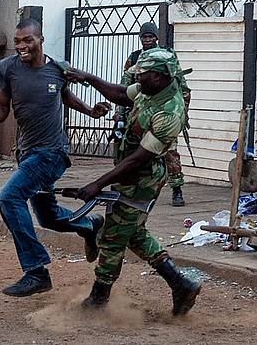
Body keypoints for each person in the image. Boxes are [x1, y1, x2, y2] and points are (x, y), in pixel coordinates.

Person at [0, 19, 111, 297]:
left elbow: (66, 97)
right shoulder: (7, 69)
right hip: (27, 152)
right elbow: (2, 105)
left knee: (9, 198)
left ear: (41, 39)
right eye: (18, 41)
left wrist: (90, 111)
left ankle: (36, 271)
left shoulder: (58, 69)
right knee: (48, 218)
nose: (22, 46)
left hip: (52, 153)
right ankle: (90, 225)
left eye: (28, 40)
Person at [64, 48, 201, 316]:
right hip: (129, 174)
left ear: (161, 76)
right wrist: (88, 77)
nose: (139, 80)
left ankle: (98, 299)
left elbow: (138, 159)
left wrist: (97, 184)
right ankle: (180, 283)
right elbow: (119, 94)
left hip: (142, 179)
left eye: (144, 75)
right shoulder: (150, 89)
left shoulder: (169, 112)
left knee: (114, 237)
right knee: (134, 232)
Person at [118, 22, 191, 207]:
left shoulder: (167, 56)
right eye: (145, 37)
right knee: (133, 151)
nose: (148, 40)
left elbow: (182, 85)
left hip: (163, 111)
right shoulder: (134, 58)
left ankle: (176, 189)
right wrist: (120, 112)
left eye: (151, 36)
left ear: (156, 37)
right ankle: (136, 189)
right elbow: (124, 86)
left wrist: (183, 113)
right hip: (140, 111)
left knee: (170, 153)